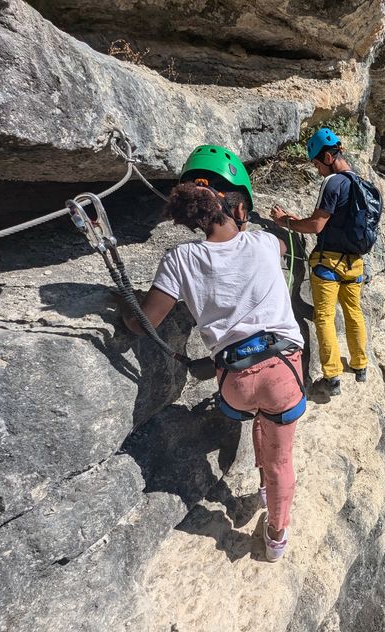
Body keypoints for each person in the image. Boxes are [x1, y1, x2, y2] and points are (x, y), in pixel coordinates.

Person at [121, 145, 304, 562]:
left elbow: (144, 322)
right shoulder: (267, 243)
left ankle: (261, 487)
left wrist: (122, 303)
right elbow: (257, 247)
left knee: (258, 415)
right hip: (282, 371)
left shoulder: (179, 259)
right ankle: (275, 537)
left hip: (234, 380)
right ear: (237, 204)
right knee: (282, 459)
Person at [270, 128, 368, 397]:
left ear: (326, 156)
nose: (316, 171)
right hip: (355, 264)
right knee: (354, 313)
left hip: (329, 263)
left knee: (324, 317)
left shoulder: (333, 182)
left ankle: (332, 377)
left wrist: (285, 222)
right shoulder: (361, 182)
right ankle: (360, 366)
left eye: (316, 164)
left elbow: (316, 225)